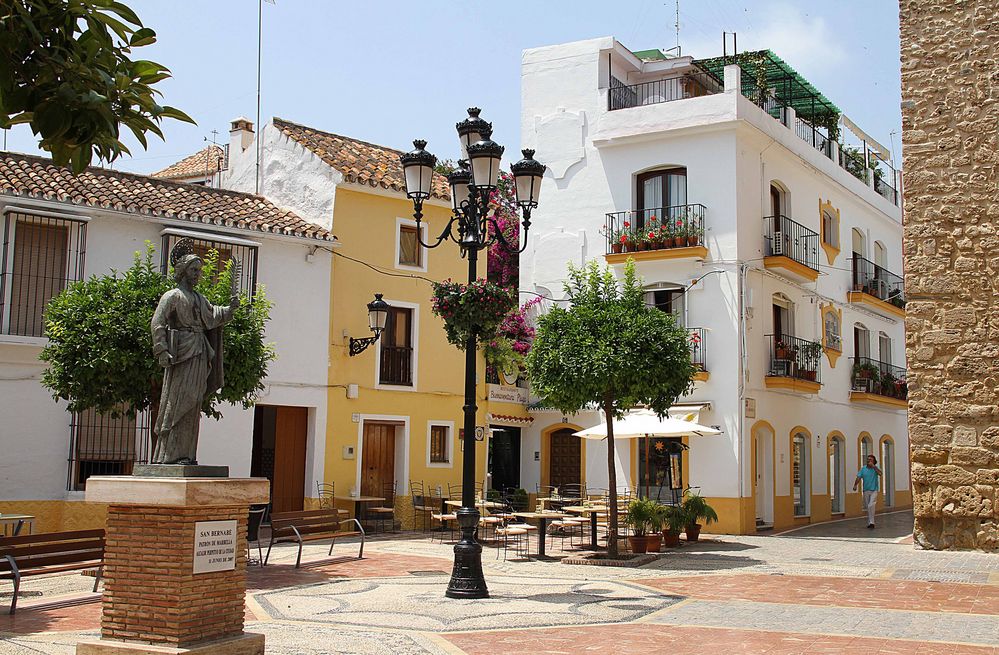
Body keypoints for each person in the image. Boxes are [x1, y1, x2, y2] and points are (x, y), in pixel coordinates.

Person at [151, 238, 239, 465]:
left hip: (199, 352)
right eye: (193, 269)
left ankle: (187, 455)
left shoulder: (200, 299)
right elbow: (157, 322)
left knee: (194, 402)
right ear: (182, 271)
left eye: (199, 270)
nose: (198, 274)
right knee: (179, 401)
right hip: (181, 352)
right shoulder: (172, 296)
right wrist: (161, 350)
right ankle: (169, 456)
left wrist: (231, 309)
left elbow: (213, 316)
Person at [853, 454, 882, 528]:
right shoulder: (863, 469)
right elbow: (858, 477)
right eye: (868, 459)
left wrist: (874, 467)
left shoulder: (875, 469)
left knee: (871, 505)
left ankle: (872, 522)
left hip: (874, 490)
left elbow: (880, 474)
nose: (869, 461)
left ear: (874, 461)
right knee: (868, 507)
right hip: (866, 490)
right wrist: (855, 485)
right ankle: (870, 522)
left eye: (871, 460)